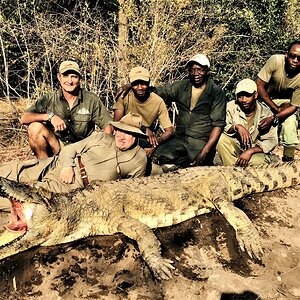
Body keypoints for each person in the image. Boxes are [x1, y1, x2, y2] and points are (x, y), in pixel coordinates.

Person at [0, 113, 147, 211]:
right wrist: (67, 166)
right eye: (120, 130)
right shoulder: (101, 137)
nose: (122, 136)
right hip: (59, 164)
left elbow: (131, 190)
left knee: (26, 198)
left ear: (136, 136)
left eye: (128, 133)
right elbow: (71, 149)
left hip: (72, 185)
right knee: (12, 169)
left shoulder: (138, 159)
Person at [20, 60, 113, 159]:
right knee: (34, 128)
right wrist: (49, 116)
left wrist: (101, 151)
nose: (70, 81)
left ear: (79, 79)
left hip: (82, 150)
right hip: (58, 147)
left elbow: (108, 127)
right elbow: (24, 118)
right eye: (65, 76)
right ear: (59, 77)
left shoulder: (91, 99)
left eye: (74, 76)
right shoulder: (49, 99)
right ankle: (45, 167)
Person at [151, 53, 227, 169]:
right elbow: (162, 92)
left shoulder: (216, 93)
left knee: (196, 165)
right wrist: (134, 85)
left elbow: (218, 125)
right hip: (180, 138)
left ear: (207, 71)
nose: (196, 74)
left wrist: (205, 151)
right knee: (158, 155)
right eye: (192, 70)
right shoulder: (182, 86)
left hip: (200, 140)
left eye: (200, 70)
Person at [113, 66, 174, 157]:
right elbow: (117, 124)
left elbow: (169, 130)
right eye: (136, 84)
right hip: (125, 134)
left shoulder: (158, 101)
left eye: (143, 83)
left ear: (149, 83)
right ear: (131, 84)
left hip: (144, 139)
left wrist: (156, 143)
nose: (140, 88)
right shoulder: (124, 96)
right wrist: (143, 128)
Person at [217, 79, 278, 167]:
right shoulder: (230, 107)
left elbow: (271, 141)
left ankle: (234, 168)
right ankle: (232, 171)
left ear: (255, 95)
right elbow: (223, 127)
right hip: (235, 147)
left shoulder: (266, 113)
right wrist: (236, 127)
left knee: (260, 161)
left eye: (248, 96)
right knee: (221, 138)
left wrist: (250, 151)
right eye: (240, 96)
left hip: (253, 151)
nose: (244, 100)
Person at [256, 40, 300, 161]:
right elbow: (259, 86)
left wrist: (274, 117)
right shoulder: (275, 61)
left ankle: (288, 159)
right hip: (265, 99)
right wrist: (275, 109)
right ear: (286, 55)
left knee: (290, 123)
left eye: (299, 58)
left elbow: (294, 106)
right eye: (292, 56)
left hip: (286, 104)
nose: (295, 60)